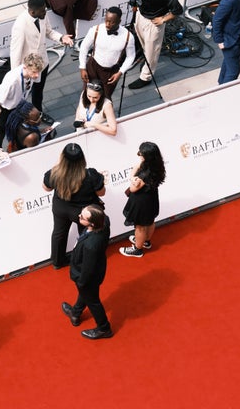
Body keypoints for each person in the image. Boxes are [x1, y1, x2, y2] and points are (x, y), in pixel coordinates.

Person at [10, 0, 74, 124]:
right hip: (28, 69)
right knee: (22, 95)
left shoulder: (42, 15)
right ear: (33, 12)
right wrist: (15, 74)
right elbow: (15, 51)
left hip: (43, 63)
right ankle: (20, 118)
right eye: (43, 10)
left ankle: (38, 114)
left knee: (38, 92)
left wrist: (62, 38)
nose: (46, 12)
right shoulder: (20, 25)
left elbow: (49, 32)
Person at [42, 143, 105, 269]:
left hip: (61, 208)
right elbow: (101, 193)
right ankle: (83, 260)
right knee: (85, 236)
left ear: (63, 157)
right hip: (83, 212)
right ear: (82, 158)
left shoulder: (54, 173)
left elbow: (46, 188)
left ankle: (57, 261)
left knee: (59, 233)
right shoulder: (90, 175)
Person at [128, 0, 183, 89]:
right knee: (144, 45)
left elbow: (178, 9)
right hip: (141, 15)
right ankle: (146, 61)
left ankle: (146, 77)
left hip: (153, 23)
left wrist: (163, 19)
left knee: (152, 51)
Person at [60, 204, 113, 340]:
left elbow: (88, 269)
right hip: (95, 270)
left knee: (93, 301)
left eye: (82, 217)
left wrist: (82, 282)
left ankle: (104, 328)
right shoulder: (104, 222)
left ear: (92, 223)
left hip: (87, 275)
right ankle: (76, 313)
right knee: (87, 294)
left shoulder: (91, 245)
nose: (79, 216)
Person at [119, 142, 166, 257]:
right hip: (151, 198)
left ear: (147, 156)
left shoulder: (145, 174)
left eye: (141, 152)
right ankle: (146, 241)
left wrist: (132, 178)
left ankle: (137, 249)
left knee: (140, 226)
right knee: (150, 221)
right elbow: (137, 168)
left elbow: (132, 189)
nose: (138, 153)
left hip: (141, 201)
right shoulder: (156, 165)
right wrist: (134, 176)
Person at [78, 6, 135, 98]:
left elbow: (131, 56)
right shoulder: (96, 30)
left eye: (111, 22)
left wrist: (120, 72)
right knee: (87, 94)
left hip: (111, 71)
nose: (107, 24)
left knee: (105, 97)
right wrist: (82, 67)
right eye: (106, 20)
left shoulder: (128, 36)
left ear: (119, 22)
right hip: (93, 66)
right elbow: (84, 47)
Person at [0, 53, 44, 147]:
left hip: (18, 104)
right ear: (25, 67)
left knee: (20, 126)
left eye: (38, 72)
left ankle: (17, 144)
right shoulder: (13, 80)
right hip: (6, 108)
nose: (36, 75)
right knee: (0, 132)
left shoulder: (29, 74)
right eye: (34, 72)